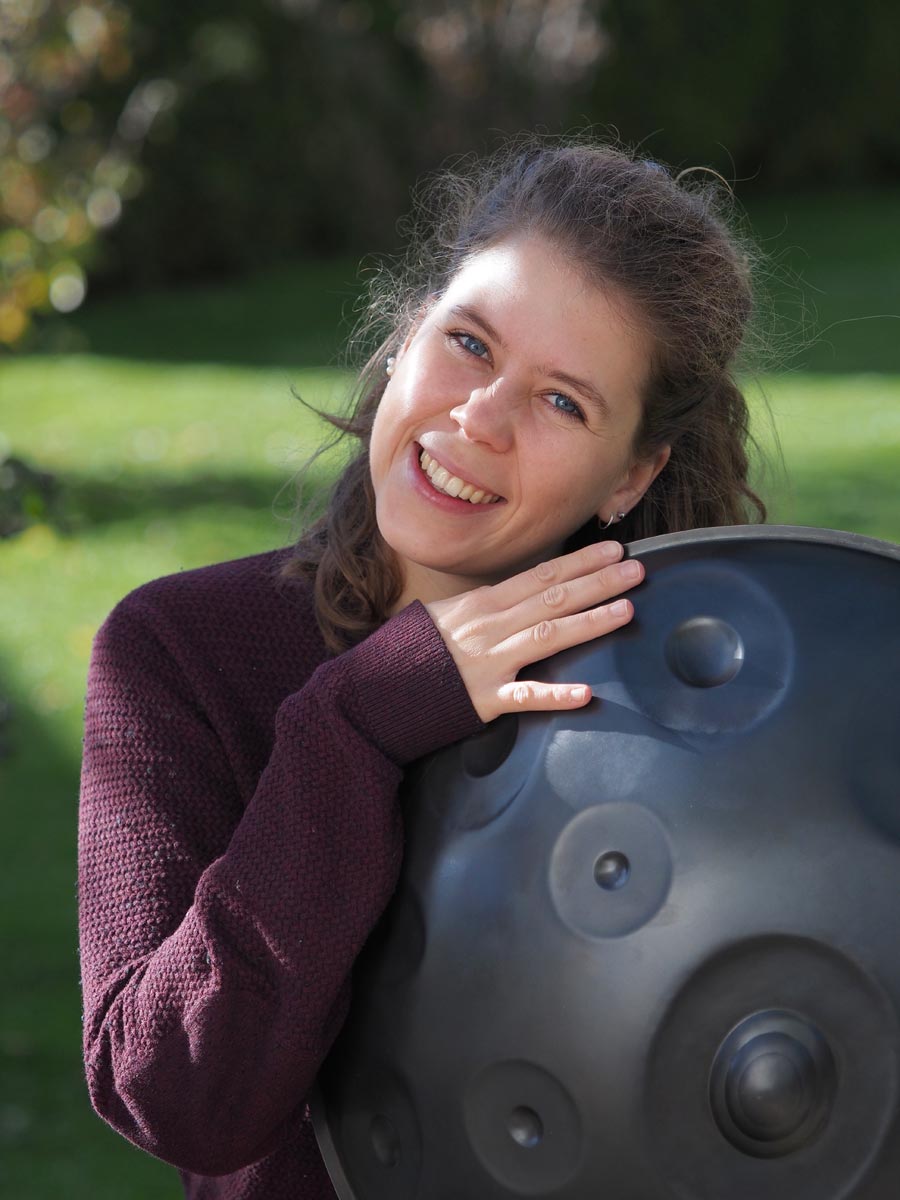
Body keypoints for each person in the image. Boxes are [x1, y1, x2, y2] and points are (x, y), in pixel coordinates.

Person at [78, 139, 766, 1199]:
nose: (478, 419)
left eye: (562, 402)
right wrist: (357, 722)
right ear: (405, 334)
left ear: (631, 475)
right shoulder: (178, 652)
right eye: (469, 342)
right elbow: (177, 1096)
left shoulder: (703, 702)